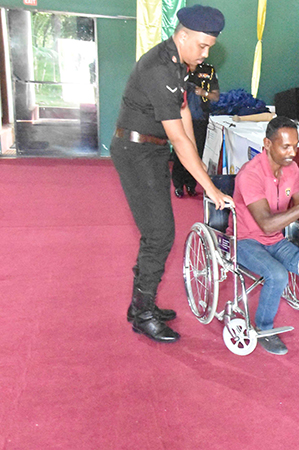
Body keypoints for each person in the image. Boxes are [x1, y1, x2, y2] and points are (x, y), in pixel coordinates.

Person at [111, 5, 232, 343]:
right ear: (183, 36)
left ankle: (140, 304)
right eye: (202, 46)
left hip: (152, 150)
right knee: (160, 234)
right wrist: (209, 188)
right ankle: (143, 314)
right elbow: (178, 138)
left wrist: (199, 165)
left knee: (157, 230)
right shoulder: (159, 67)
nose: (206, 54)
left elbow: (184, 115)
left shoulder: (180, 62)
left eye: (209, 47)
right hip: (136, 152)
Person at [233, 116, 299, 356]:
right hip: (246, 241)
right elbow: (266, 225)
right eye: (286, 146)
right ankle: (264, 328)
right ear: (267, 144)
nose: (293, 153)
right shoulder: (250, 175)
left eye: (295, 146)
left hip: (276, 240)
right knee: (277, 275)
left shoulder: (292, 169)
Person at [172, 62, 220, 198]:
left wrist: (202, 92)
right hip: (180, 117)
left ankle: (191, 184)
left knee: (197, 151)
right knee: (179, 150)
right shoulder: (179, 68)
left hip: (200, 118)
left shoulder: (209, 70)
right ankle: (178, 184)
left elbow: (216, 96)